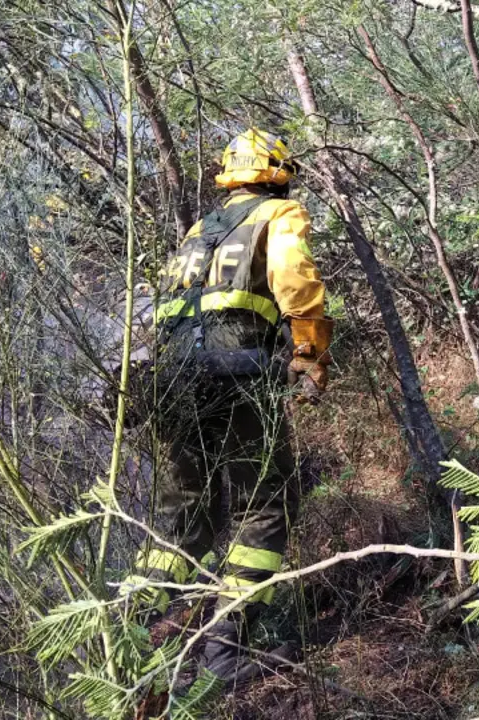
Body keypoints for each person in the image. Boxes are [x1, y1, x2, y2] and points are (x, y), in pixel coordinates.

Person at [119, 127, 332, 684]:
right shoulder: (279, 215)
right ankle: (224, 652)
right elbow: (296, 281)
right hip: (237, 373)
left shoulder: (198, 232)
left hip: (170, 381)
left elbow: (161, 307)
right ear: (278, 173)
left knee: (179, 516)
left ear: (228, 175)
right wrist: (308, 352)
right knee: (263, 505)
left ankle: (132, 642)